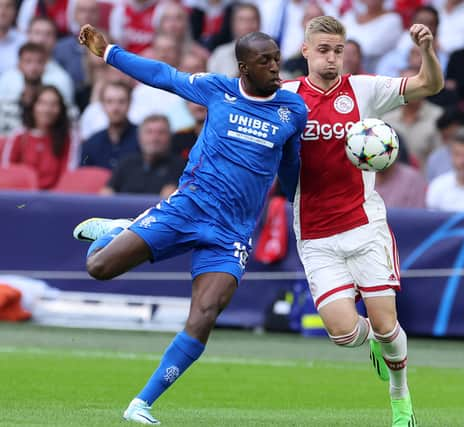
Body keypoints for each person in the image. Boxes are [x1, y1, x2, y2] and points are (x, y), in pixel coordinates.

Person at [71, 24, 307, 424]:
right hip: (188, 209)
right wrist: (109, 52)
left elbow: (291, 167)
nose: (274, 67)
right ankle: (118, 230)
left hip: (232, 232)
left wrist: (302, 199)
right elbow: (164, 76)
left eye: (276, 58)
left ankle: (141, 403)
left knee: (206, 313)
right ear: (243, 68)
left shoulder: (292, 110)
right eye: (264, 61)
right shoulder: (218, 89)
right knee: (98, 267)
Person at [281, 15, 443, 427]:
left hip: (363, 225)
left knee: (389, 327)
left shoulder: (363, 90)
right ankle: (368, 337)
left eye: (337, 50)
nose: (331, 58)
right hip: (315, 234)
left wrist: (426, 51)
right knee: (342, 334)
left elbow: (430, 85)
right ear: (305, 51)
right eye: (323, 50)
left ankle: (399, 393)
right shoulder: (286, 97)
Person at [1, 85, 78, 189]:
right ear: (33, 106)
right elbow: (7, 171)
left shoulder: (68, 138)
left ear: (61, 109)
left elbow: (68, 174)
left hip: (55, 200)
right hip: (21, 199)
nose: (47, 110)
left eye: (54, 104)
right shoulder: (19, 136)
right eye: (42, 103)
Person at [101, 114, 184, 197]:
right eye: (149, 132)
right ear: (139, 136)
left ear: (170, 137)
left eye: (161, 133)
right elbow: (107, 192)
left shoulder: (180, 166)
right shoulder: (126, 163)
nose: (154, 138)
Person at [81, 81, 139, 170]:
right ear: (102, 105)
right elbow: (84, 175)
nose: (115, 108)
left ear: (130, 103)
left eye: (121, 101)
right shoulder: (92, 143)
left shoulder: (143, 139)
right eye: (109, 101)